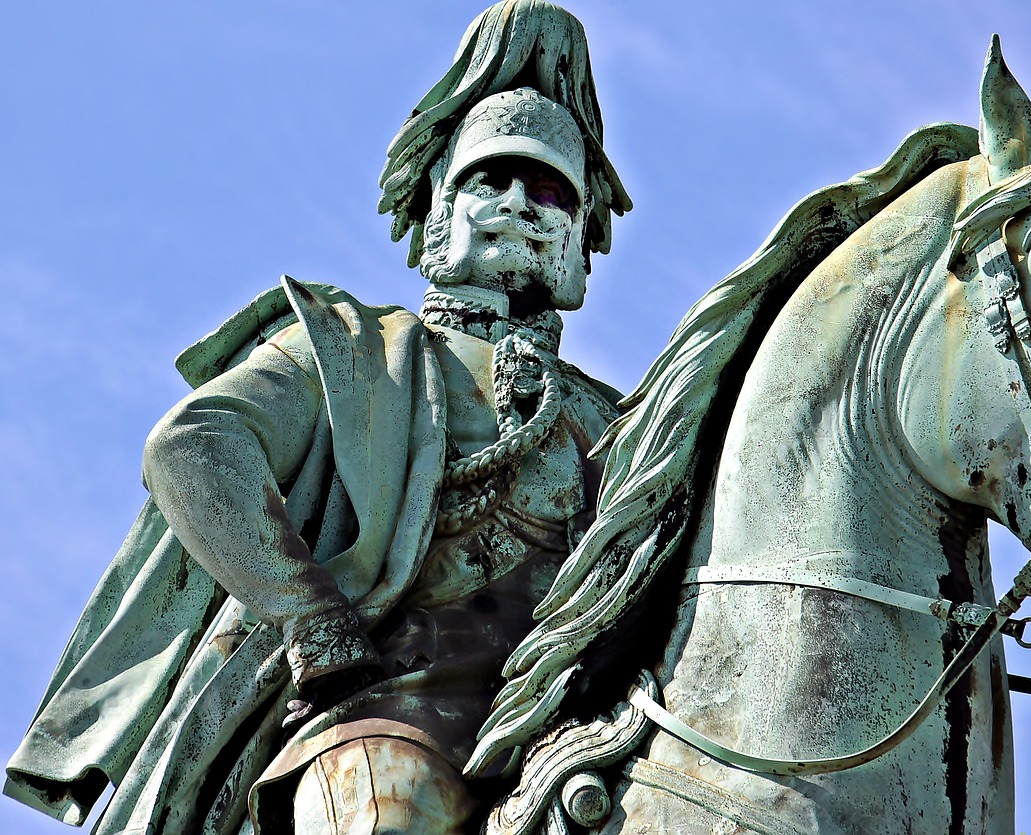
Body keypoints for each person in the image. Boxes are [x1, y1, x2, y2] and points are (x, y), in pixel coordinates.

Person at [4, 3, 631, 833]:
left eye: (550, 191)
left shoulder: (619, 418)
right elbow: (193, 445)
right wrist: (310, 615)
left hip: (576, 729)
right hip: (382, 711)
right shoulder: (352, 350)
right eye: (492, 180)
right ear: (440, 209)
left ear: (581, 234)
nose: (520, 203)